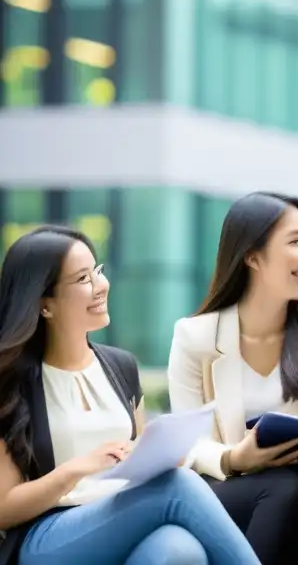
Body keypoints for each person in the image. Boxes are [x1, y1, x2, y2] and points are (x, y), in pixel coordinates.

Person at [0, 225, 259, 565]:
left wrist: (161, 455)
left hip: (121, 515)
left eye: (98, 271)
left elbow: (137, 457)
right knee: (177, 485)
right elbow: (5, 509)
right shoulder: (11, 382)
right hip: (46, 537)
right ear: (45, 305)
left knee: (179, 549)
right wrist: (76, 469)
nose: (101, 285)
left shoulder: (120, 366)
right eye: (82, 279)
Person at [167, 192, 298, 565]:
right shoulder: (194, 336)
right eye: (295, 241)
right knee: (292, 494)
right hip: (219, 489)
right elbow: (186, 445)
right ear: (252, 256)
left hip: (297, 484)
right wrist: (235, 458)